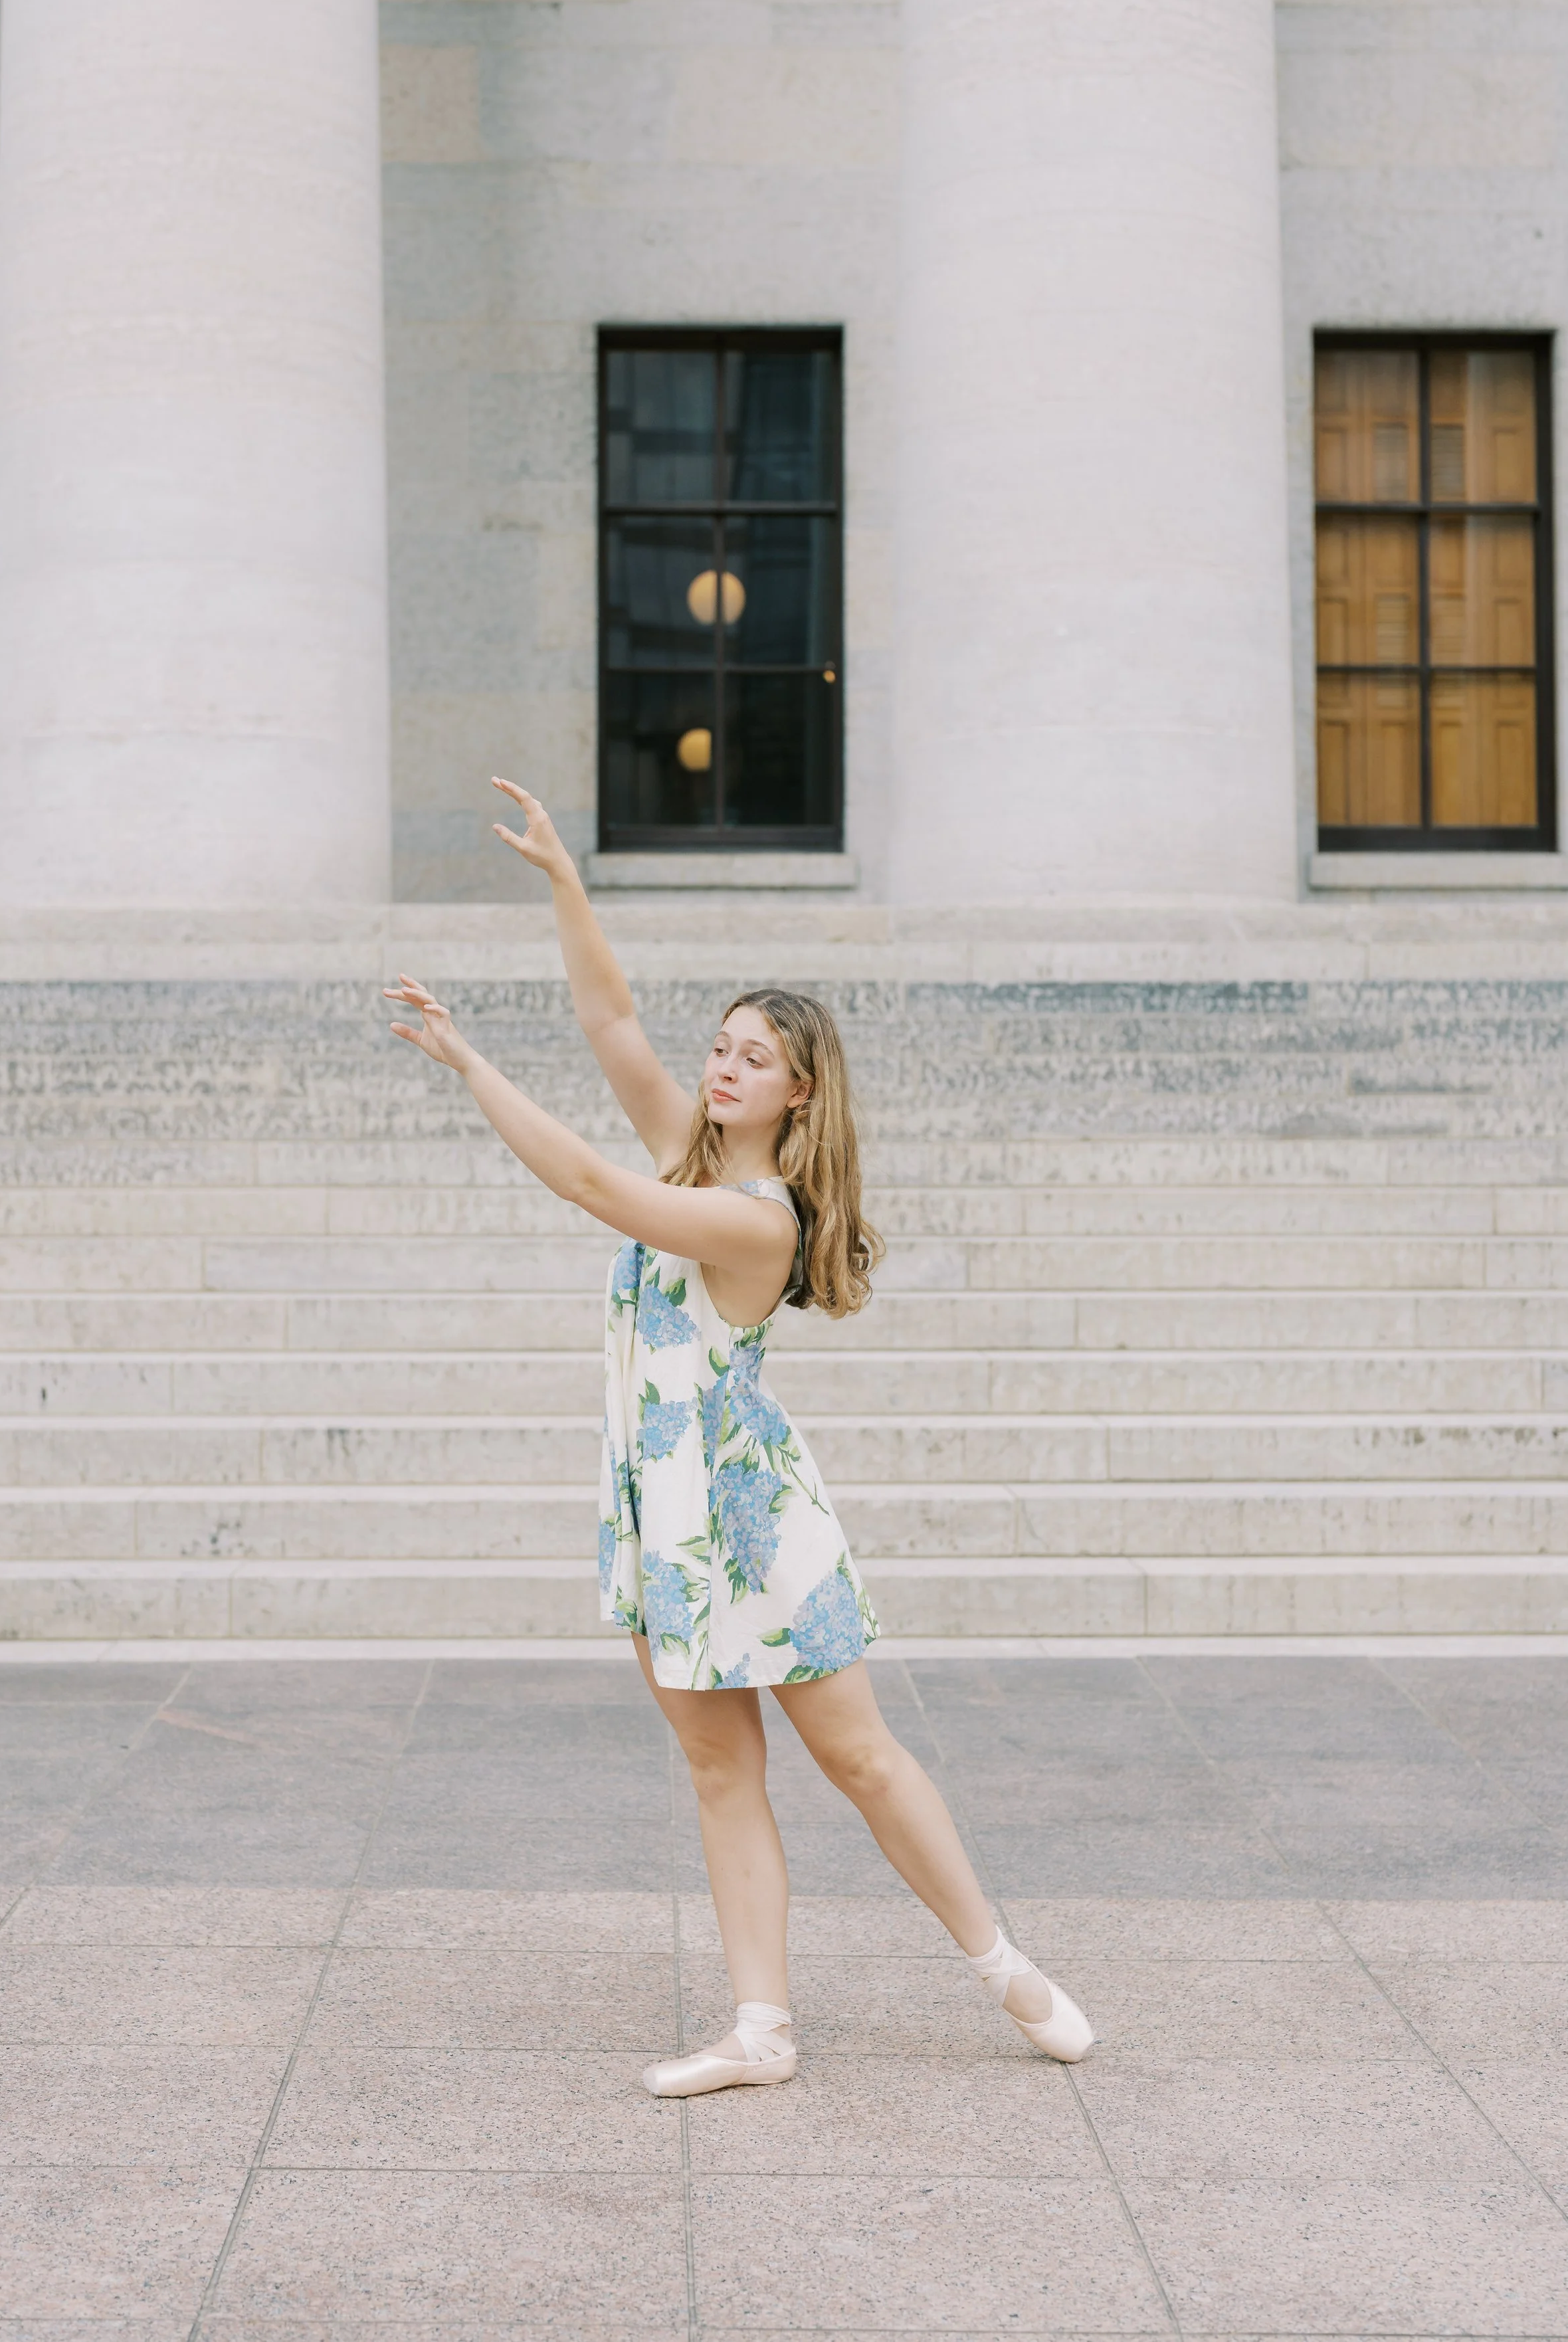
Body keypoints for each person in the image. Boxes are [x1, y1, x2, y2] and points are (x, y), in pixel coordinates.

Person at [385, 777, 1094, 2097]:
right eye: (718, 1046)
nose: (719, 1067)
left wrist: (469, 1062)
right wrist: (565, 884)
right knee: (718, 1769)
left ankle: (1000, 1964)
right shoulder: (689, 1153)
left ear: (799, 1091)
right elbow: (607, 1017)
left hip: (753, 1521)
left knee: (860, 1762)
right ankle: (759, 2030)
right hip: (662, 1514)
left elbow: (590, 1185)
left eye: (750, 1057)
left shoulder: (755, 1217)